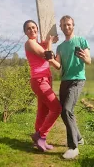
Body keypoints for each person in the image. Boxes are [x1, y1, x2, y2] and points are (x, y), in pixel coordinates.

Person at [55, 15, 91, 159]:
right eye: (64, 25)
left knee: (67, 110)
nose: (66, 27)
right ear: (61, 27)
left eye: (69, 24)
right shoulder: (60, 47)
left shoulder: (81, 40)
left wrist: (84, 57)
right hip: (65, 81)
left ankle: (73, 146)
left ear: (73, 25)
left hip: (77, 80)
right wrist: (51, 58)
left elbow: (89, 60)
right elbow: (58, 65)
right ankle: (79, 138)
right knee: (63, 111)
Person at [23, 20, 62, 152]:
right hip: (39, 80)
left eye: (34, 27)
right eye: (28, 29)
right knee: (56, 108)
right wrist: (50, 42)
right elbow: (47, 55)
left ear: (37, 29)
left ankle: (38, 140)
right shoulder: (29, 43)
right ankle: (41, 135)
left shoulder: (38, 43)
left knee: (43, 110)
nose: (32, 30)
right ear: (25, 32)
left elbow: (45, 45)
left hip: (46, 79)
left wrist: (51, 39)